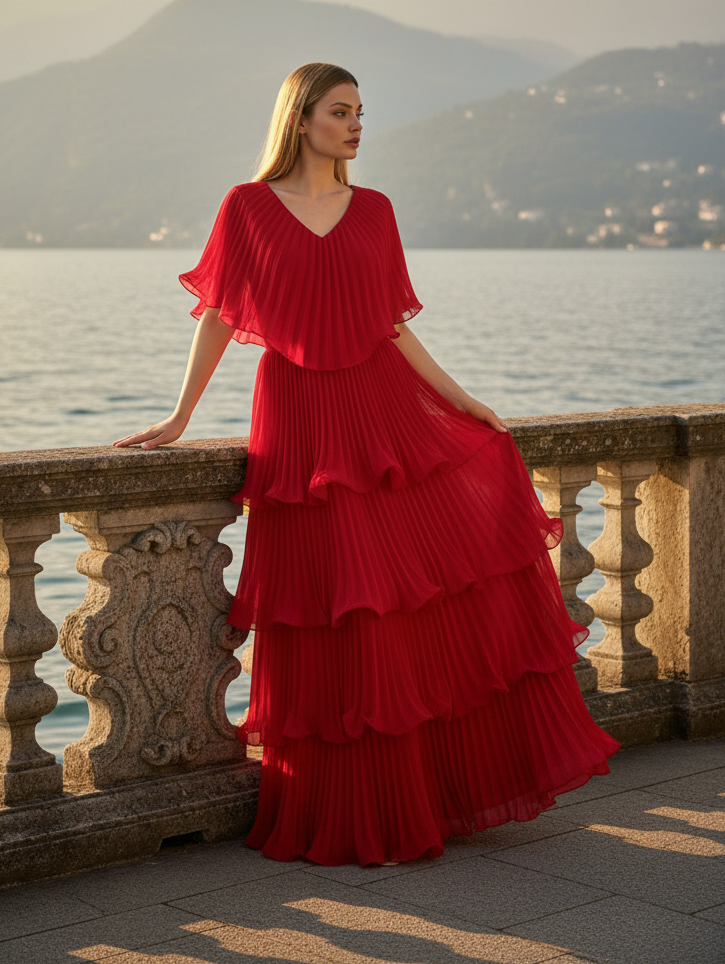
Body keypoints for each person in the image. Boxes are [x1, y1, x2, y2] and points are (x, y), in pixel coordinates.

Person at [113, 61, 619, 866]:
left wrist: (464, 403)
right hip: (298, 416)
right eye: (340, 111)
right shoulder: (246, 207)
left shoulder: (374, 210)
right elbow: (216, 315)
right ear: (300, 119)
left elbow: (391, 328)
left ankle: (423, 793)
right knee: (325, 605)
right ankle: (340, 801)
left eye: (359, 113)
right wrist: (180, 417)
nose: (355, 126)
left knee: (393, 601)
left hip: (379, 412)